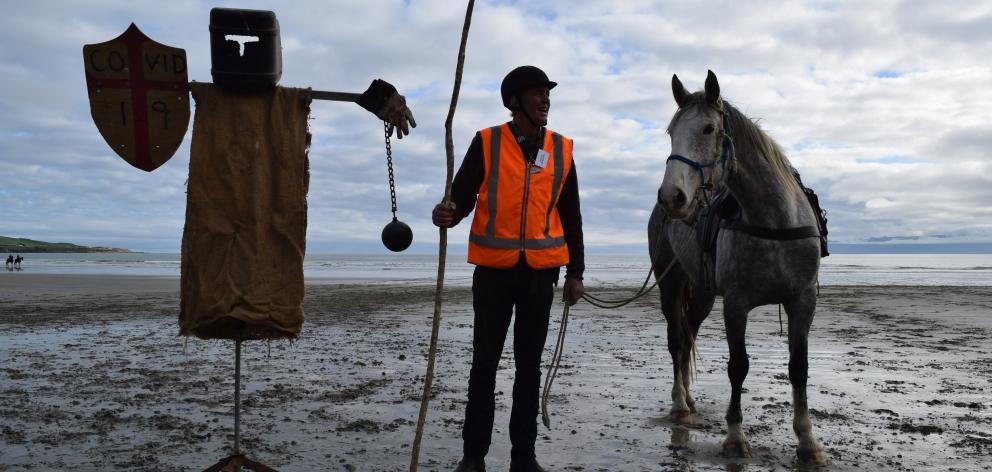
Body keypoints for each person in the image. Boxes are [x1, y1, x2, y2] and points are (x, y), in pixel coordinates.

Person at [432, 65, 585, 472]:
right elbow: (462, 194)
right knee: (484, 365)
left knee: (529, 368)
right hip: (494, 274)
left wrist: (576, 272)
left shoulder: (562, 148)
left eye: (547, 93)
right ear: (515, 101)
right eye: (536, 93)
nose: (545, 99)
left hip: (541, 275)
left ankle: (524, 457)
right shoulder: (487, 142)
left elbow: (571, 215)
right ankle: (473, 456)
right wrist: (449, 211)